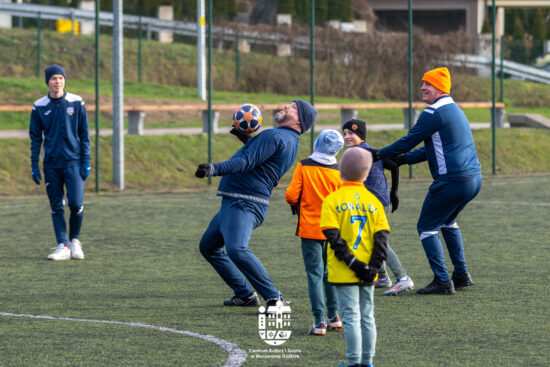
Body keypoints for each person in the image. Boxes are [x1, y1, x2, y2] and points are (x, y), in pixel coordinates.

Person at [196, 99, 318, 308]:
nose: (286, 106)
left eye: (294, 107)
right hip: (238, 201)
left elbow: (246, 162)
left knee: (237, 250)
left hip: (244, 202)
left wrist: (213, 169)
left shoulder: (275, 135)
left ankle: (275, 298)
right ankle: (245, 294)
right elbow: (262, 159)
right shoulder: (289, 139)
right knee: (208, 247)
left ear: (301, 121)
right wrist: (249, 140)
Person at [372, 67, 482, 295]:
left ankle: (442, 280)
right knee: (448, 222)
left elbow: (408, 140)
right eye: (422, 83)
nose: (422, 87)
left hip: (451, 181)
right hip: (473, 179)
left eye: (428, 84)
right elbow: (432, 149)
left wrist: (378, 154)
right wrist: (402, 161)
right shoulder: (455, 109)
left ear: (440, 87)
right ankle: (461, 274)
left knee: (426, 227)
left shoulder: (432, 113)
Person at [320, 147, 388, 367]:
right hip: (369, 272)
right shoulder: (374, 202)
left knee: (350, 317)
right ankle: (367, 363)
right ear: (367, 173)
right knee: (367, 316)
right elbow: (382, 238)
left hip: (344, 270)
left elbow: (333, 236)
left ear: (340, 170)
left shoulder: (333, 199)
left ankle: (354, 363)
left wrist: (352, 263)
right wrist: (373, 267)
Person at [342, 119, 414, 296]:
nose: (346, 137)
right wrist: (393, 191)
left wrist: (394, 192)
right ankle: (382, 278)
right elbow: (393, 166)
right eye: (344, 134)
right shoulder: (364, 151)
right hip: (373, 202)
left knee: (377, 241)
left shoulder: (366, 152)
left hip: (375, 204)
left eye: (351, 133)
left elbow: (394, 164)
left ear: (361, 135)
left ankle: (402, 277)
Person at [285, 129, 345, 335]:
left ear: (317, 143)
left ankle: (319, 321)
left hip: (310, 228)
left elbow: (291, 195)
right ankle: (334, 316)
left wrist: (301, 202)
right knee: (331, 274)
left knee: (314, 275)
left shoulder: (304, 166)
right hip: (334, 229)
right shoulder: (339, 171)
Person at [29, 64, 91, 260]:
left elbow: (84, 134)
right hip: (51, 164)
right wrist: (34, 165)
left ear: (65, 80)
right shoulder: (39, 106)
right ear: (48, 81)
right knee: (56, 205)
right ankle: (62, 245)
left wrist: (86, 161)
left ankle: (75, 241)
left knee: (75, 203)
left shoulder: (77, 102)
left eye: (60, 78)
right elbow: (35, 138)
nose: (57, 82)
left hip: (73, 162)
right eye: (54, 78)